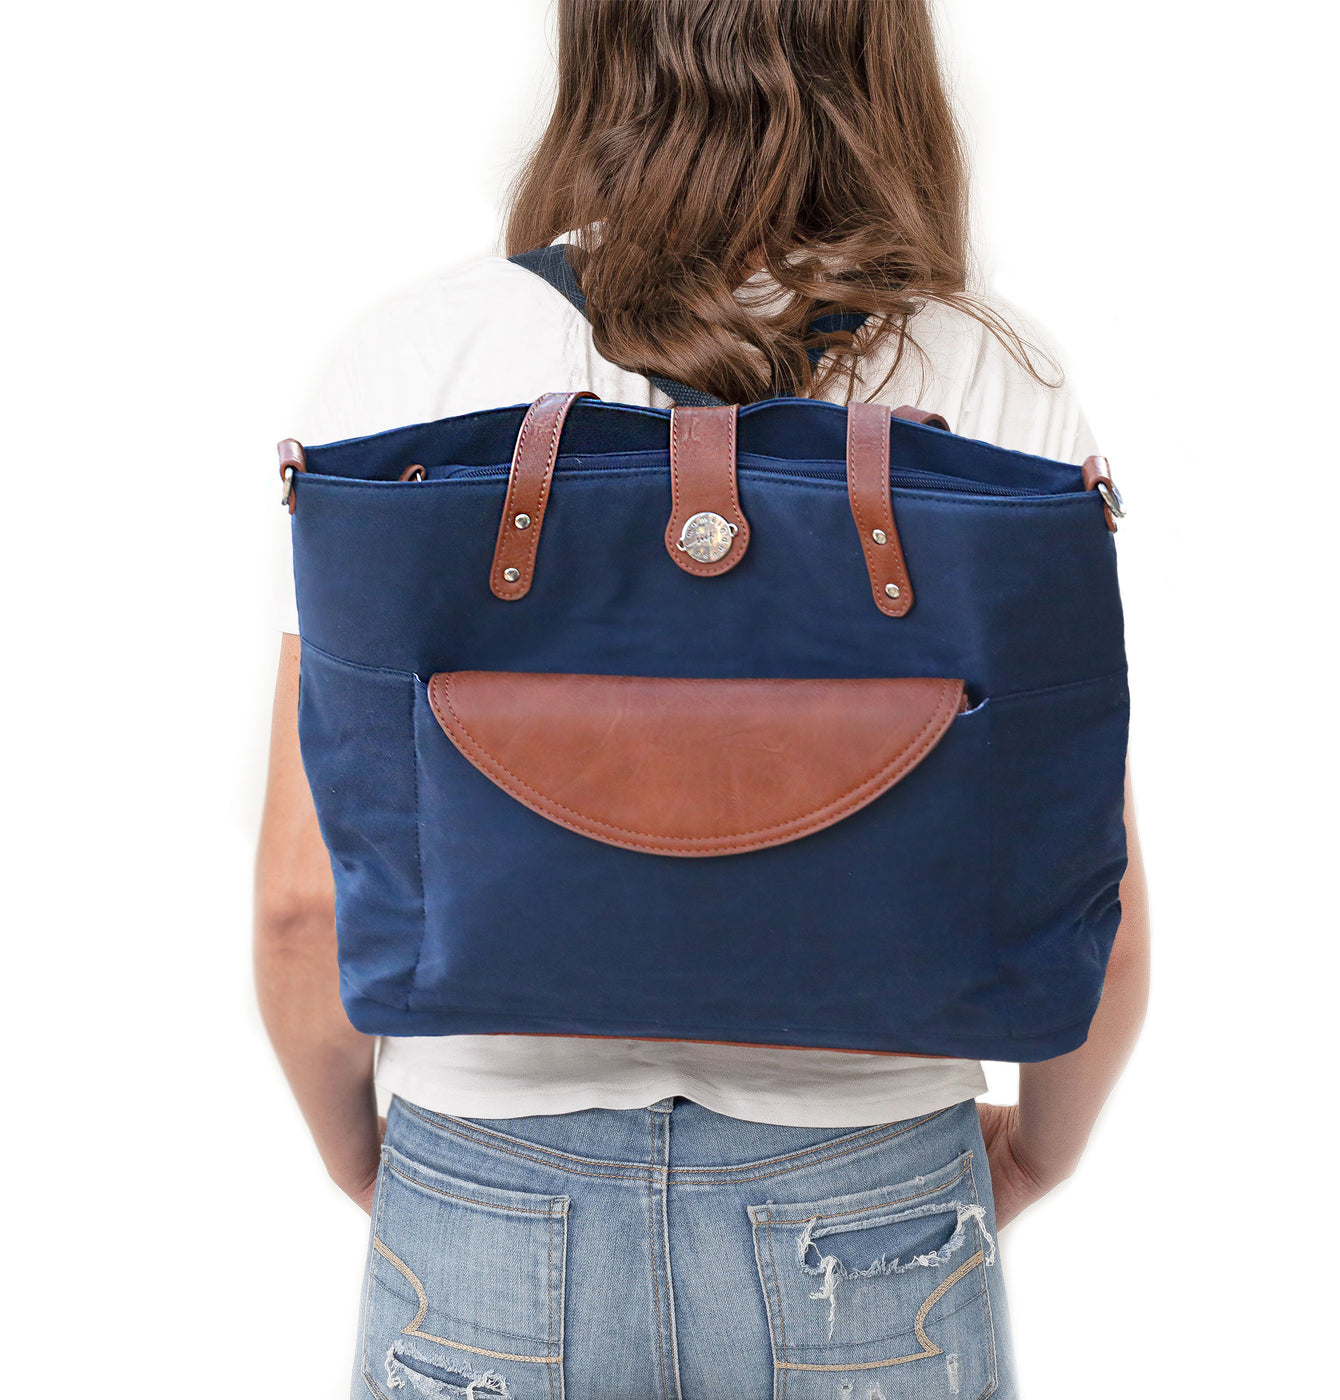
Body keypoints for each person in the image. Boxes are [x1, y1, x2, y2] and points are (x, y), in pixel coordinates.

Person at [254, 2, 1150, 1395]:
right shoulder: (989, 373)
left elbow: (302, 904)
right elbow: (1087, 885)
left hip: (484, 1166)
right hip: (872, 1186)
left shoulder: (409, 364)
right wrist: (1039, 1148)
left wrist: (371, 1158)